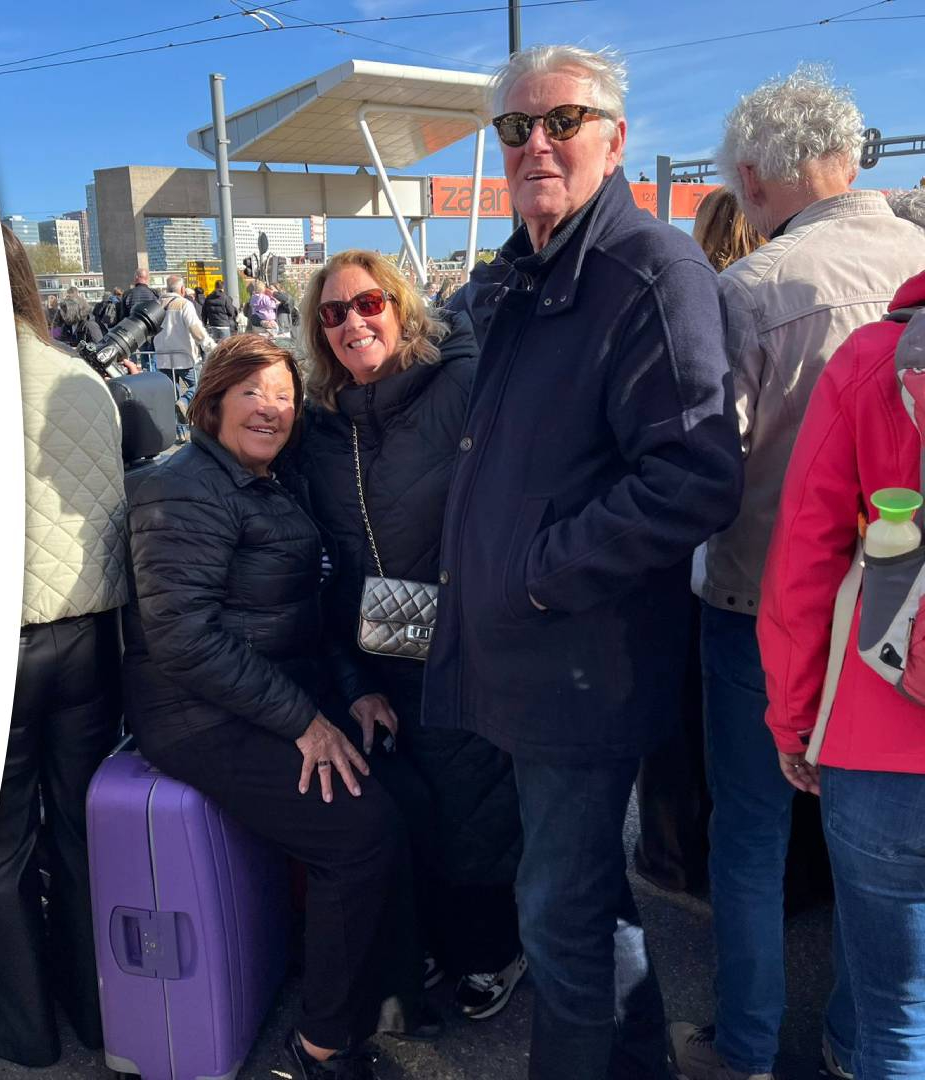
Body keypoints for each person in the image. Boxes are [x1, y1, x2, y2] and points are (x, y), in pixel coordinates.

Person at [426, 45, 742, 1080]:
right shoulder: (524, 269)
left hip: (575, 668)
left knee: (557, 923)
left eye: (561, 121)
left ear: (615, 137)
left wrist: (536, 570)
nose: (536, 145)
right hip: (520, 663)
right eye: (516, 129)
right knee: (588, 903)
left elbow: (695, 477)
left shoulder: (647, 270)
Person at [673, 67, 925, 1080]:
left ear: (750, 176)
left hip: (758, 600)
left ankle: (745, 1048)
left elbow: (706, 468)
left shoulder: (749, 289)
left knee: (750, 836)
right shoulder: (917, 260)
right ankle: (859, 1041)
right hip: (893, 622)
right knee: (883, 882)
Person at [124, 334, 415, 1079]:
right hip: (197, 712)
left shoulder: (268, 482)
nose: (272, 408)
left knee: (406, 782)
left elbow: (310, 612)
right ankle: (320, 1050)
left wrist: (355, 693)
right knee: (359, 829)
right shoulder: (184, 485)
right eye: (253, 391)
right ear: (214, 399)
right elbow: (182, 638)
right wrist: (305, 723)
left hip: (268, 693)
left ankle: (368, 987)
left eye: (284, 396)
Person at [295, 249, 527, 1023]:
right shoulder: (323, 424)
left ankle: (496, 947)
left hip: (467, 636)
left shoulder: (460, 383)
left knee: (477, 798)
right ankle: (440, 937)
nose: (354, 322)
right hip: (378, 641)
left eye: (369, 304)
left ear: (401, 308)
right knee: (414, 798)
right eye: (333, 313)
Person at [759, 266, 925, 1080]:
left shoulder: (873, 358)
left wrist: (793, 719)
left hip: (880, 733)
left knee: (898, 1014)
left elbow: (806, 555)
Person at [0, 230, 128, 1066]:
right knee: (77, 832)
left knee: (1, 847)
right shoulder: (84, 380)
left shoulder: (0, 385)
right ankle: (97, 1010)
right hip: (90, 633)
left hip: (18, 637)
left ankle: (27, 1029)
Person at [632, 185, 762, 904]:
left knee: (681, 716)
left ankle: (672, 857)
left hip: (697, 556)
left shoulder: (703, 303)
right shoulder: (779, 288)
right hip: (781, 549)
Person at [151, 274, 211, 438]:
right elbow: (196, 329)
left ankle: (180, 433)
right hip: (184, 357)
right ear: (182, 289)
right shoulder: (184, 304)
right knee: (200, 386)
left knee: (172, 393)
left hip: (162, 357)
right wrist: (210, 346)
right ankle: (185, 401)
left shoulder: (156, 305)